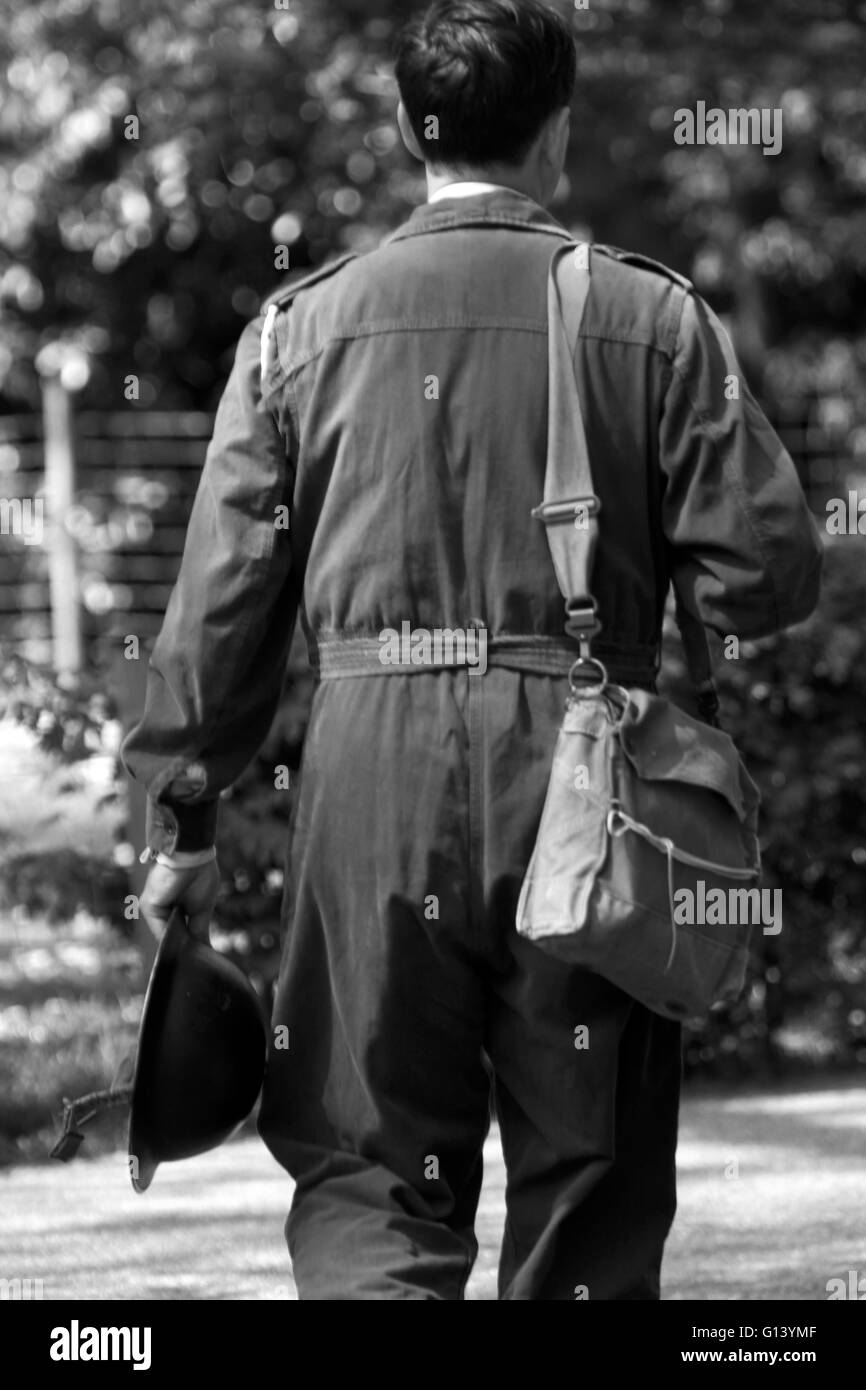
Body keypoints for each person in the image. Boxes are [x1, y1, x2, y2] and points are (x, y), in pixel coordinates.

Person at [122, 0, 822, 1299]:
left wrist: (183, 827)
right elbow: (763, 579)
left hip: (364, 786)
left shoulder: (292, 334)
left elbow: (218, 620)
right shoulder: (651, 321)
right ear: (557, 136)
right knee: (588, 1182)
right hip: (584, 778)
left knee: (367, 1172)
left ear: (404, 129)